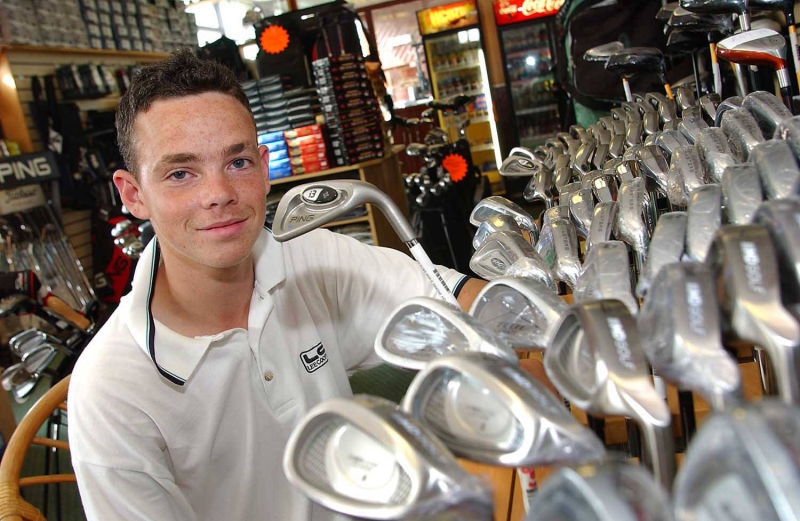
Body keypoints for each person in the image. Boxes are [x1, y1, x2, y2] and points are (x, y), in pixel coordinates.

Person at [67, 49, 491, 520]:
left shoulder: (311, 258)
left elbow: (458, 303)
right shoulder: (111, 389)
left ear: (265, 167)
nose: (219, 194)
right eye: (180, 173)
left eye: (238, 163)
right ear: (133, 195)